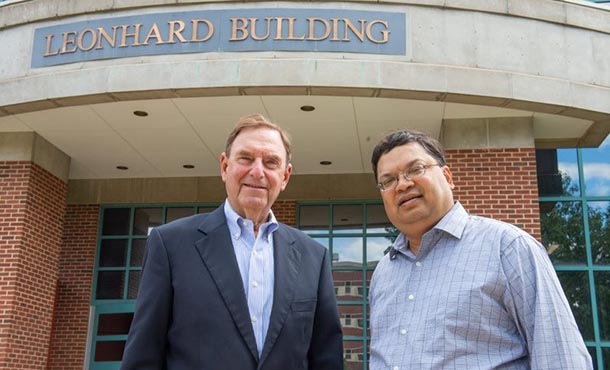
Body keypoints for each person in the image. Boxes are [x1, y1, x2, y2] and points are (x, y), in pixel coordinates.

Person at [120, 114, 343, 370]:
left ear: (285, 177)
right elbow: (142, 357)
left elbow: (327, 358)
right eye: (246, 158)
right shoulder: (170, 245)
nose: (257, 171)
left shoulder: (314, 257)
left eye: (271, 162)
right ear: (225, 167)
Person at [368, 130, 592, 370]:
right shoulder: (384, 272)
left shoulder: (507, 247)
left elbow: (560, 357)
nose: (402, 185)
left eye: (415, 169)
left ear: (448, 177)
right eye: (388, 180)